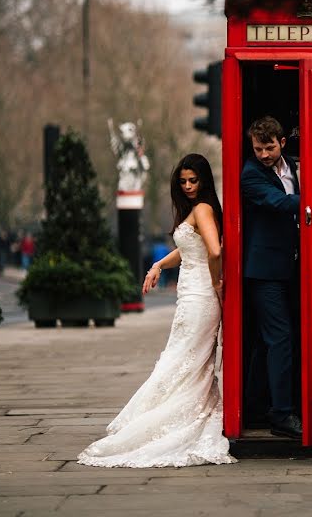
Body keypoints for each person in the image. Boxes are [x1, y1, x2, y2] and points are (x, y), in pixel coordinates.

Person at [77, 154, 236, 468]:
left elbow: (215, 249)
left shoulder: (202, 209)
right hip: (191, 295)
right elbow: (192, 247)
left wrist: (217, 282)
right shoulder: (198, 210)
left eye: (194, 180)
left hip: (201, 297)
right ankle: (172, 415)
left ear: (205, 180)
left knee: (184, 359)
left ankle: (167, 419)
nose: (189, 186)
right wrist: (159, 265)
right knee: (184, 359)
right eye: (183, 181)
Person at [241, 116, 303, 439]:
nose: (263, 154)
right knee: (279, 339)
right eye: (257, 148)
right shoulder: (250, 175)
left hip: (290, 267)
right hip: (263, 271)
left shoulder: (291, 165)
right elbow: (278, 203)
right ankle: (281, 415)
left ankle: (257, 404)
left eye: (268, 147)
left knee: (278, 340)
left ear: (282, 142)